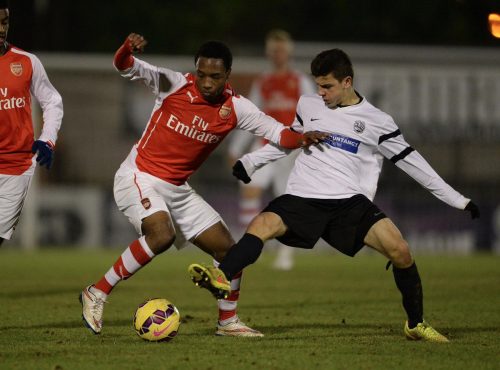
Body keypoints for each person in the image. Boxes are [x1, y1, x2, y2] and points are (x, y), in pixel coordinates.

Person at [189, 48, 481, 342]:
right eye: (318, 85)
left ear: (347, 81)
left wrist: (458, 200)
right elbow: (290, 139)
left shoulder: (378, 121)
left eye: (327, 86)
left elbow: (415, 165)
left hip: (349, 203)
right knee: (260, 225)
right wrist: (251, 161)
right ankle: (222, 276)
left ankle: (415, 324)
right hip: (303, 195)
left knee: (401, 251)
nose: (321, 93)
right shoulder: (309, 104)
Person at [79, 33, 325, 337]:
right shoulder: (174, 84)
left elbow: (279, 132)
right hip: (138, 176)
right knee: (161, 235)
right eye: (202, 74)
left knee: (229, 251)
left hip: (177, 188)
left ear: (227, 76)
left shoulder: (237, 107)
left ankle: (227, 323)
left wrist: (303, 137)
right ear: (196, 70)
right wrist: (125, 50)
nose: (206, 82)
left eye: (215, 76)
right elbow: (125, 65)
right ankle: (97, 292)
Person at [227, 29, 315, 270]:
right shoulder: (263, 82)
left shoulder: (300, 81)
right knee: (249, 188)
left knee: (286, 202)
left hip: (291, 151)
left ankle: (285, 254)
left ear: (288, 52)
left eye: (281, 50)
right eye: (274, 50)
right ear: (268, 53)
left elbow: (313, 115)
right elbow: (250, 117)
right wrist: (236, 149)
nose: (278, 54)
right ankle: (250, 249)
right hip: (264, 145)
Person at [0, 0, 63, 247]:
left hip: (17, 167)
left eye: (4, 22)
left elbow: (53, 101)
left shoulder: (27, 62)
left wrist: (47, 140)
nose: (1, 29)